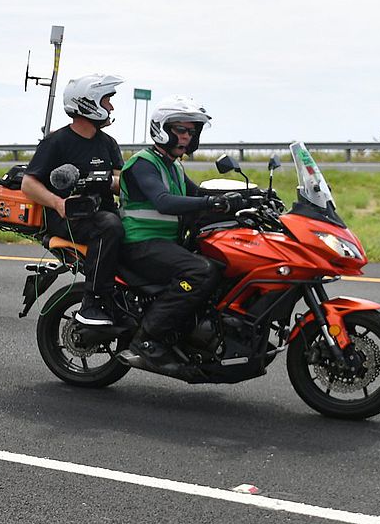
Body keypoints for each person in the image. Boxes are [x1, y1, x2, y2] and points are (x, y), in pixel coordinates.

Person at [117, 95, 235, 373]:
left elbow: (201, 194)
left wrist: (248, 196)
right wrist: (211, 203)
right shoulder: (143, 163)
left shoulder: (173, 166)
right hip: (140, 244)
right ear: (163, 129)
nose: (185, 137)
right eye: (180, 130)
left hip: (163, 244)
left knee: (223, 266)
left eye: (191, 132)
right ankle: (147, 341)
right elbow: (164, 201)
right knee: (201, 271)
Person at [21, 74, 126, 326]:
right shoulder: (57, 142)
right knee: (110, 227)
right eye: (106, 100)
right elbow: (28, 184)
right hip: (67, 216)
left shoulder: (108, 143)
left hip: (101, 212)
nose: (111, 106)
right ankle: (93, 303)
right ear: (89, 102)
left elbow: (120, 181)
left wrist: (106, 181)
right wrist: (58, 203)